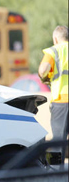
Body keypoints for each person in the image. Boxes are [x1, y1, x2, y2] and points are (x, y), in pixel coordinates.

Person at [38, 25, 68, 162]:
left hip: (61, 101)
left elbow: (43, 70)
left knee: (57, 141)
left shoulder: (54, 51)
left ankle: (55, 172)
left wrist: (45, 77)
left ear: (55, 38)